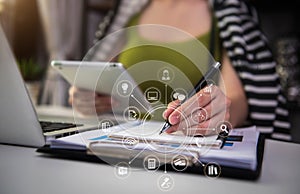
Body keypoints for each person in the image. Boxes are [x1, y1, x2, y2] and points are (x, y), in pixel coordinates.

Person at [69, 0, 291, 140]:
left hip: (187, 150)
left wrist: (221, 114)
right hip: (119, 141)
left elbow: (238, 100)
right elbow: (100, 77)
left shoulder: (227, 14)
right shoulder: (129, 10)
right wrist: (87, 96)